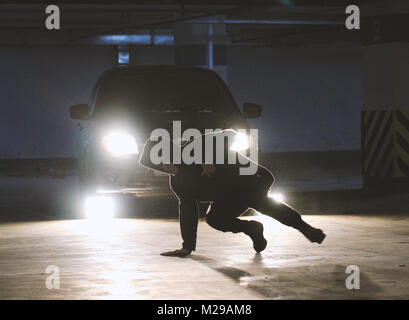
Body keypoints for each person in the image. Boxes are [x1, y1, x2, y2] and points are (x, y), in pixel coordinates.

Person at [139, 130, 325, 257]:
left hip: (252, 178)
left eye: (163, 161)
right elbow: (188, 211)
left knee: (259, 201)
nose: (164, 167)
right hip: (229, 194)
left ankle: (306, 229)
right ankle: (252, 229)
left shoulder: (194, 147)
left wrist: (208, 157)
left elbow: (231, 134)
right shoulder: (178, 182)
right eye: (159, 167)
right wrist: (187, 247)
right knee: (214, 218)